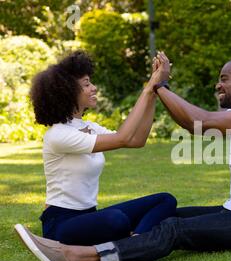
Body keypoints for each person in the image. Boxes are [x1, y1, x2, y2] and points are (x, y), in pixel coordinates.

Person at [15, 52, 231, 261]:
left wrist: (159, 86)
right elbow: (128, 137)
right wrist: (153, 86)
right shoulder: (61, 133)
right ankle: (135, 245)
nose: (218, 85)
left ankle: (81, 256)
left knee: (172, 229)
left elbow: (199, 122)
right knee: (169, 215)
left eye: (224, 79)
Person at [25, 50, 177, 246]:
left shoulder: (89, 127)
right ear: (68, 91)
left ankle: (136, 243)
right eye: (87, 84)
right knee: (116, 220)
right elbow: (123, 138)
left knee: (165, 201)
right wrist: (147, 89)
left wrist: (154, 91)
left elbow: (137, 140)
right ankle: (133, 241)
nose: (94, 88)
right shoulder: (58, 135)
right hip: (61, 224)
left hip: (89, 216)